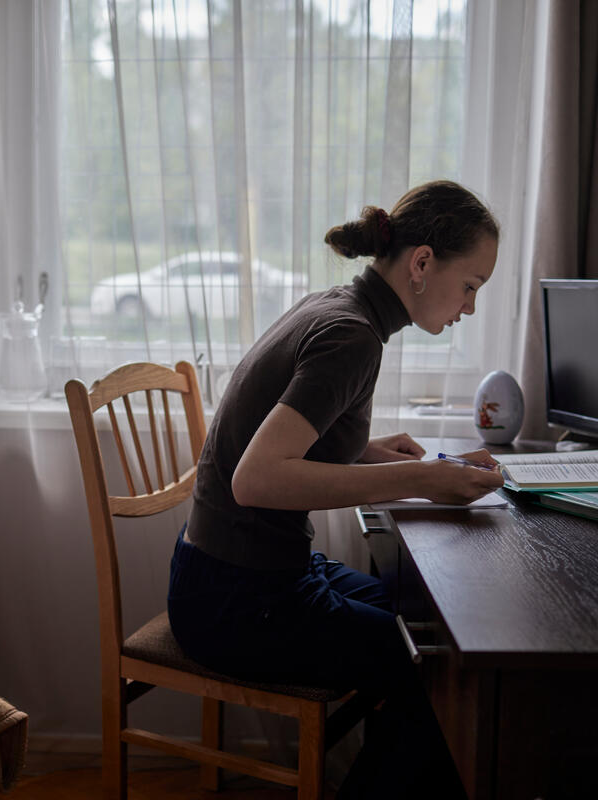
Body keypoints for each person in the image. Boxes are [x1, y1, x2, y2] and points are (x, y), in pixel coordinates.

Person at [166, 180, 504, 797]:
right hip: (234, 598)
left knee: (413, 617)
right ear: (422, 263)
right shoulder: (352, 337)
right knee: (429, 667)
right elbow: (256, 478)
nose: (470, 307)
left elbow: (281, 441)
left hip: (229, 574)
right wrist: (421, 478)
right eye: (471, 286)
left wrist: (370, 452)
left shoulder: (338, 307)